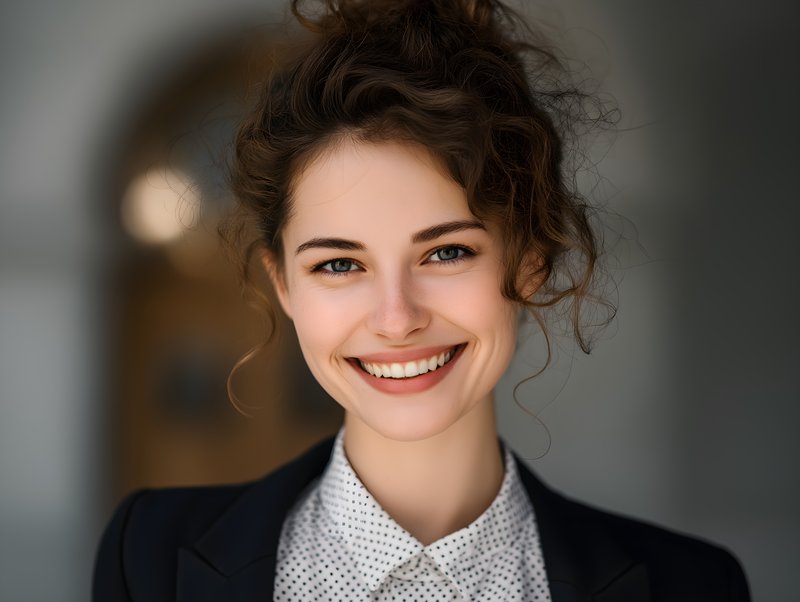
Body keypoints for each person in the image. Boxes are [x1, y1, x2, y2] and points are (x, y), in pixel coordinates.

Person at [93, 1, 751, 600]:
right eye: (339, 264)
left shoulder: (693, 586)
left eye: (446, 253)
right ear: (284, 284)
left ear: (529, 261)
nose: (396, 318)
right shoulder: (147, 557)